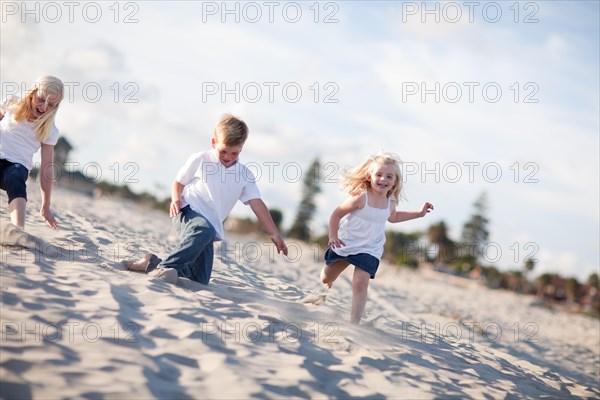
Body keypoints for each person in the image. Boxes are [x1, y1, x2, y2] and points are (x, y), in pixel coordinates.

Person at [127, 114, 288, 284]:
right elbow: (178, 182)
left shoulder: (244, 175)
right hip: (187, 212)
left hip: (209, 228)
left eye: (234, 153)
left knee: (200, 279)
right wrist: (175, 200)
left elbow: (258, 204)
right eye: (223, 151)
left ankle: (152, 263)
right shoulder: (201, 159)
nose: (228, 157)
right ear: (214, 143)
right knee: (204, 230)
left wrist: (274, 233)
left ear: (241, 148)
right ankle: (165, 268)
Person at [319, 151, 433, 324]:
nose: (383, 179)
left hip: (370, 249)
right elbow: (336, 215)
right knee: (326, 278)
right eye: (378, 174)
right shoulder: (360, 197)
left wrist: (419, 213)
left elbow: (393, 217)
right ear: (369, 176)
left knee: (360, 282)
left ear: (395, 181)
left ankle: (354, 324)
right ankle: (329, 281)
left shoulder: (390, 202)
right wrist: (333, 235)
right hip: (346, 243)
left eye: (389, 176)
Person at [0, 75, 63, 230]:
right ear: (32, 92)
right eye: (41, 99)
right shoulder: (11, 103)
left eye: (51, 105)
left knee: (15, 177)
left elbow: (46, 168)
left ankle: (18, 229)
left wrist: (46, 206)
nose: (44, 107)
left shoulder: (49, 130)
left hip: (16, 166)